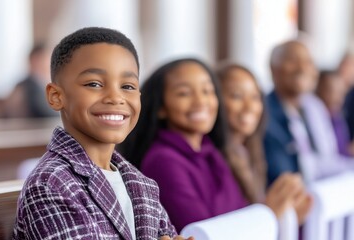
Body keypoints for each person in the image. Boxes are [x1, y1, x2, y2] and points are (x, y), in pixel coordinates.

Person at [12, 27, 193, 240]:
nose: (116, 98)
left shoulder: (139, 182)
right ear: (56, 96)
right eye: (94, 84)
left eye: (127, 86)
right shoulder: (51, 185)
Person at [118, 58, 305, 232]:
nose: (201, 102)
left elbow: (237, 212)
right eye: (184, 93)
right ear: (161, 108)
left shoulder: (212, 152)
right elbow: (204, 233)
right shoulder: (163, 161)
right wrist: (267, 213)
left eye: (207, 91)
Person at [216, 63, 312, 224]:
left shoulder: (251, 149)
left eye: (255, 97)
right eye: (237, 96)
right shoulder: (213, 158)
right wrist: (270, 213)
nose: (249, 107)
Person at [264, 40, 351, 186]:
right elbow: (287, 173)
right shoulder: (265, 114)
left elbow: (329, 158)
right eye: (292, 60)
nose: (302, 68)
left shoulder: (315, 106)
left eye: (309, 62)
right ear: (274, 69)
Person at [4, 43, 58, 118]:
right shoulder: (31, 86)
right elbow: (44, 112)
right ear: (36, 60)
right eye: (48, 58)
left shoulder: (27, 83)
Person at [316, 70, 353, 156]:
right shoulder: (311, 118)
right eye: (332, 91)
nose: (338, 99)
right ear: (318, 90)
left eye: (341, 93)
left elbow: (342, 149)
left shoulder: (337, 118)